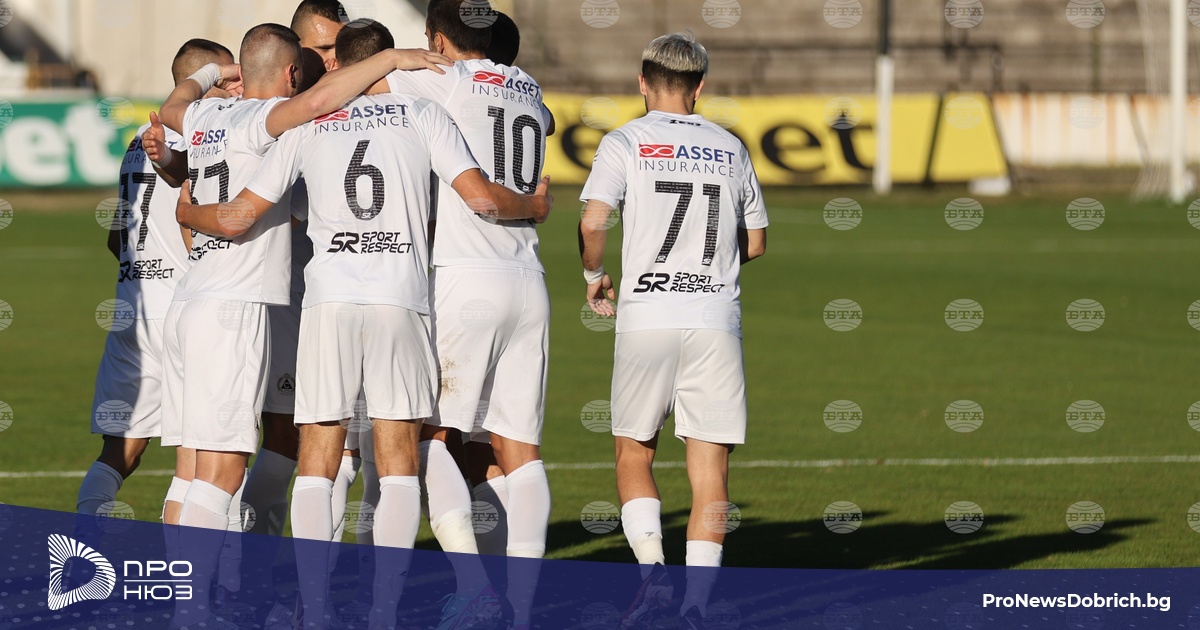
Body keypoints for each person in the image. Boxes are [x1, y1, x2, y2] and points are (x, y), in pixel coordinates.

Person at [173, 19, 552, 630]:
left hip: (329, 301)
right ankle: (382, 613)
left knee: (318, 460)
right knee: (398, 460)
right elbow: (481, 198)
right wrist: (534, 204)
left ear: (339, 65)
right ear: (388, 61)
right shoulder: (422, 114)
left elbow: (242, 214)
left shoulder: (309, 124)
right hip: (401, 300)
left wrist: (188, 210)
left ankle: (316, 611)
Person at [143, 22, 449, 628]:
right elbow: (319, 101)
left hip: (189, 301)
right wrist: (391, 57)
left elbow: (175, 100)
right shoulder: (267, 119)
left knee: (196, 467)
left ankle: (193, 604)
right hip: (234, 309)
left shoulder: (202, 115)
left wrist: (213, 75)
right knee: (222, 472)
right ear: (289, 74)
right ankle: (193, 611)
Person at [578, 32, 768, 629]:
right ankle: (695, 607)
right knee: (711, 469)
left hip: (648, 315)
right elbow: (756, 244)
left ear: (641, 82)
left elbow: (593, 221)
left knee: (634, 451)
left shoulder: (624, 141)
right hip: (715, 321)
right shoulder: (730, 147)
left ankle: (653, 575)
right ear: (700, 86)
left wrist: (594, 275)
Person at [383, 2, 555, 627]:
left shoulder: (444, 79)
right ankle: (523, 607)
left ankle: (475, 587)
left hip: (464, 278)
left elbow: (353, 85)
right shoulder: (529, 88)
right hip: (527, 280)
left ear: (436, 39)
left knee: (429, 436)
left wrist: (397, 58)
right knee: (517, 449)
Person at [76, 37, 233, 536]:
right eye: (227, 78)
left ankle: (81, 545)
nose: (235, 87)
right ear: (204, 80)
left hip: (132, 304)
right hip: (182, 310)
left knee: (123, 448)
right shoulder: (199, 136)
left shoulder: (136, 143)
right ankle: (189, 565)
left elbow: (114, 238)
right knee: (201, 453)